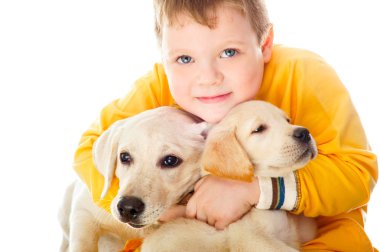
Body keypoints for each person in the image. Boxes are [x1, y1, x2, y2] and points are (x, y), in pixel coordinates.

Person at [73, 0, 378, 250]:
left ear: (265, 43)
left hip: (318, 236)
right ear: (164, 58)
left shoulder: (306, 76)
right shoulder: (158, 87)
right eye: (183, 58)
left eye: (228, 52)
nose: (207, 77)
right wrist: (154, 205)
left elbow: (356, 173)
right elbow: (89, 148)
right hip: (197, 232)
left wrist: (254, 190)